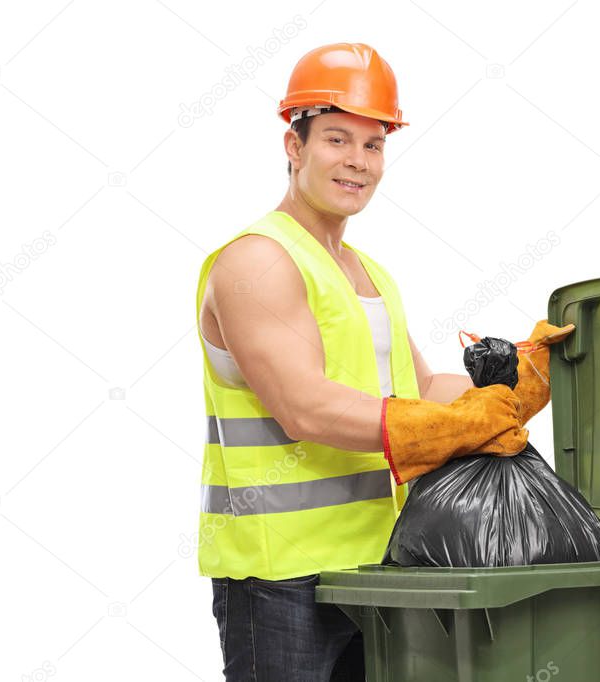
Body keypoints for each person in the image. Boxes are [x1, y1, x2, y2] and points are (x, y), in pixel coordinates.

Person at [195, 43, 542, 681]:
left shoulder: (368, 274)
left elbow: (421, 387)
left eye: (374, 144)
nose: (357, 161)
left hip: (378, 564)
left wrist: (512, 379)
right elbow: (304, 407)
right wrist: (453, 426)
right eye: (336, 139)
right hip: (278, 574)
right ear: (293, 145)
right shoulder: (257, 262)